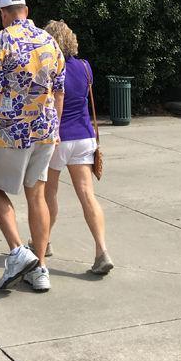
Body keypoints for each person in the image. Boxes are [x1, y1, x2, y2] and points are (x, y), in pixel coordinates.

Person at [0, 0, 65, 294]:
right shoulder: (49, 41)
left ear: (2, 13)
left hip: (10, 131)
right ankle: (41, 268)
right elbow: (60, 90)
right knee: (36, 195)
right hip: (45, 130)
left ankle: (18, 251)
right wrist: (56, 127)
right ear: (25, 9)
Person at [44, 21, 114, 275]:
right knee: (87, 195)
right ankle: (101, 250)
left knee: (48, 195)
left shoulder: (50, 68)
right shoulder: (85, 67)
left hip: (57, 139)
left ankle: (44, 241)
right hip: (84, 136)